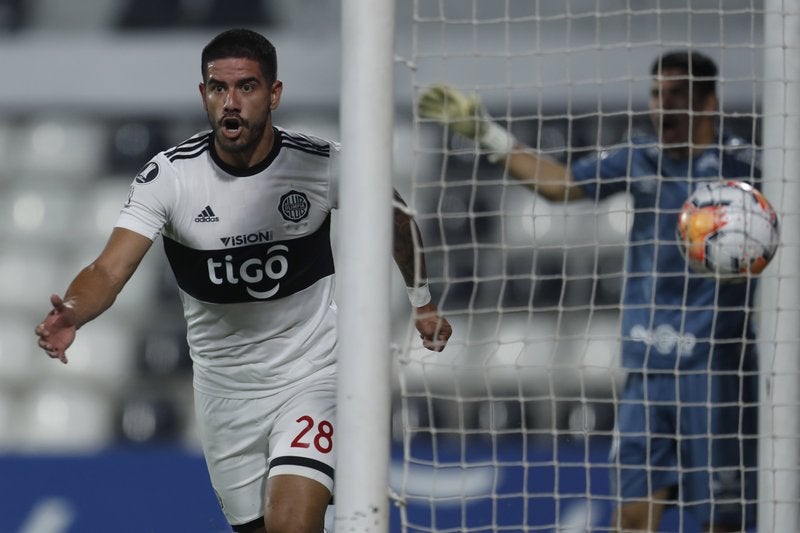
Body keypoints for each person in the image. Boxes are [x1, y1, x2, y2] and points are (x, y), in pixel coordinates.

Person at [36, 28, 452, 533]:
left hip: (312, 374)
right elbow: (108, 268)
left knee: (291, 524)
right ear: (203, 94)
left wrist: (422, 300)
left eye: (247, 87)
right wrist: (74, 311)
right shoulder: (172, 177)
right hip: (225, 395)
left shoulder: (319, 164)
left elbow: (397, 217)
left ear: (274, 94)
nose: (231, 102)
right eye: (219, 88)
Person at [418, 50, 758, 532]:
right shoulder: (640, 156)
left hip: (716, 369)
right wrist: (486, 133)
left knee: (721, 522)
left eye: (676, 96)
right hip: (648, 368)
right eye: (656, 94)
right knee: (632, 517)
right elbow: (560, 185)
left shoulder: (745, 169)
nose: (661, 107)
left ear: (708, 104)